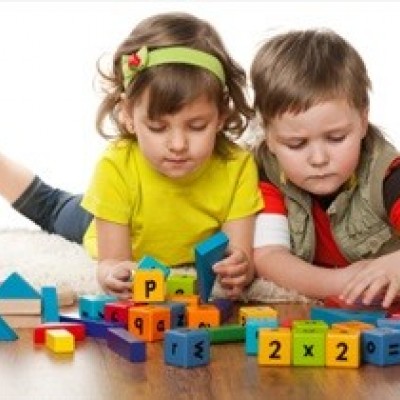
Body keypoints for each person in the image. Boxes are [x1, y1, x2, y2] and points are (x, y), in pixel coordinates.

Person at [0, 12, 263, 299]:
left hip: (128, 205)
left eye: (197, 126)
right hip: (101, 218)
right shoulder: (116, 165)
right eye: (158, 127)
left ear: (221, 115)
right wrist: (113, 272)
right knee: (50, 207)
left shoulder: (238, 166)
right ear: (127, 114)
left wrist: (240, 268)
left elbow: (239, 255)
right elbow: (112, 263)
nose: (178, 144)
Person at [251, 28, 400, 308]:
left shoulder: (387, 176)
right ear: (268, 136)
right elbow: (269, 256)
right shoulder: (266, 172)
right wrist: (341, 282)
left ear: (363, 121)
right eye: (296, 144)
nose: (318, 158)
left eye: (336, 138)